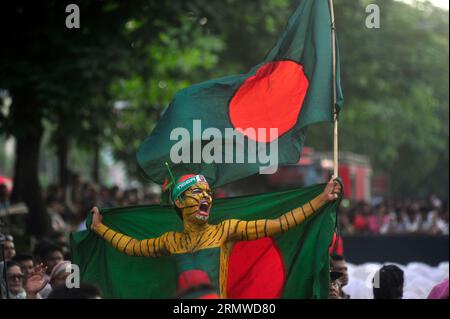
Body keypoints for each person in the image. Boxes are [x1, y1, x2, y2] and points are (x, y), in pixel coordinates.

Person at [90, 175, 341, 298]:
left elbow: (279, 224)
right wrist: (100, 228)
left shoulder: (225, 230)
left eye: (208, 193)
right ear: (179, 201)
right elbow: (133, 247)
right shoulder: (170, 241)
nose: (206, 197)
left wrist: (321, 199)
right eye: (197, 192)